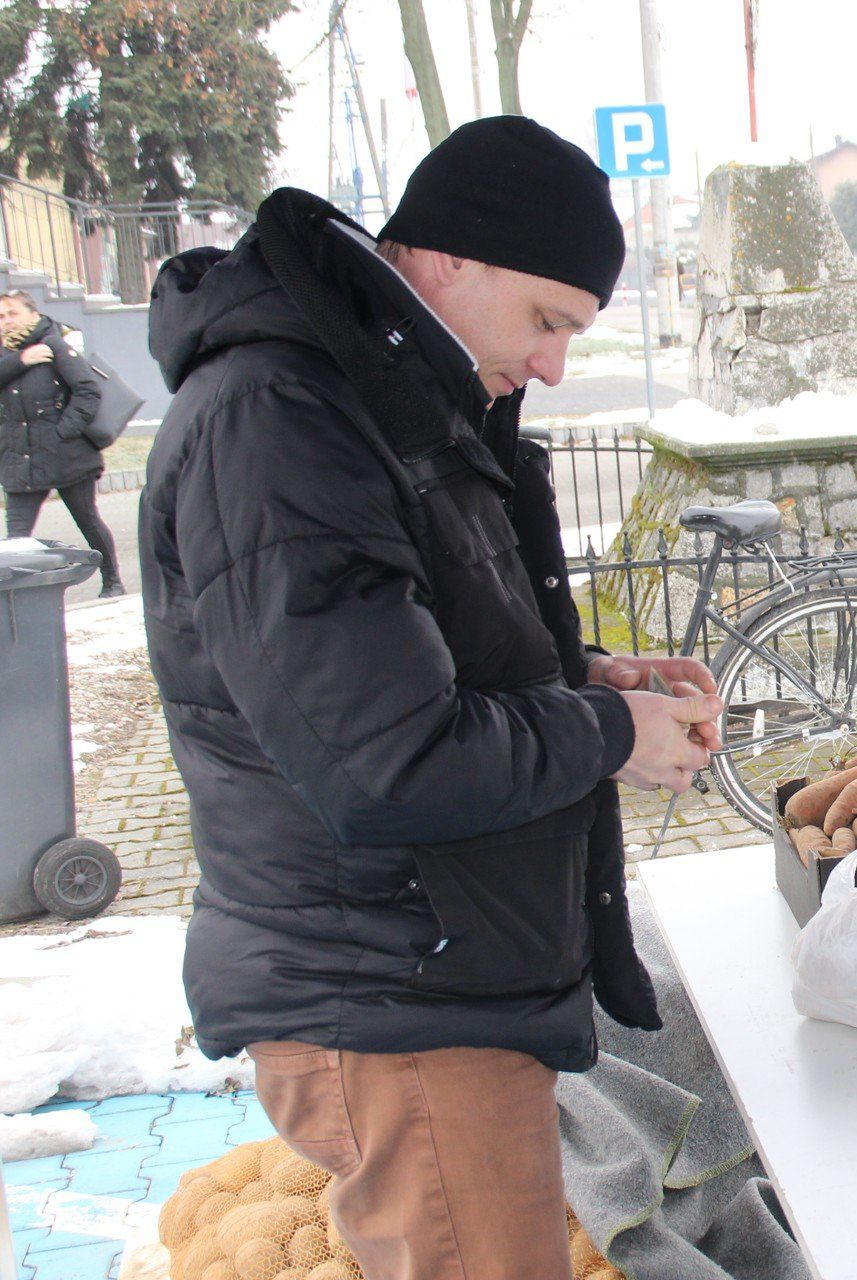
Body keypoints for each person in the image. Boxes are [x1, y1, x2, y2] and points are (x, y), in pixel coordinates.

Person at [140, 117, 723, 1280]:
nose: (556, 364)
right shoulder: (283, 413)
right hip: (394, 990)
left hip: (433, 971)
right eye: (549, 319)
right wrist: (610, 733)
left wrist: (587, 675)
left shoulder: (387, 384)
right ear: (448, 258)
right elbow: (384, 756)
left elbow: (412, 643)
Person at [0, 290, 115, 595]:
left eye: (13, 313)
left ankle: (112, 580)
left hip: (66, 456)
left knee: (87, 521)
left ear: (32, 315)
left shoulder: (54, 345)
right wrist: (21, 360)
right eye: (1, 316)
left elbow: (88, 392)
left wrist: (62, 432)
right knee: (16, 538)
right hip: (20, 458)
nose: (7, 321)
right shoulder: (5, 354)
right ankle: (17, 598)